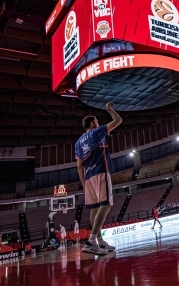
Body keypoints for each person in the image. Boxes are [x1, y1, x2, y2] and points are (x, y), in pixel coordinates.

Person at [75, 102, 122, 256]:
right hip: (101, 170)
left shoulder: (78, 143)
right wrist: (109, 109)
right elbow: (118, 121)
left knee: (95, 208)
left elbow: (79, 165)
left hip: (88, 177)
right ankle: (92, 240)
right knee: (106, 204)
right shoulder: (96, 133)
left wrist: (83, 183)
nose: (98, 123)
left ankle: (100, 242)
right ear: (91, 123)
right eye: (96, 121)